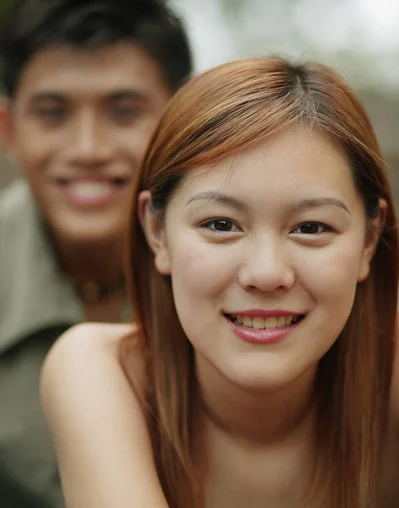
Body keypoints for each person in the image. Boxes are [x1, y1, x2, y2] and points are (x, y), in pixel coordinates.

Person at [41, 57, 399, 508]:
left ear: (369, 239)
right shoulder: (101, 369)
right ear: (157, 232)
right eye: (221, 223)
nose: (267, 273)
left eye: (311, 227)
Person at [0, 0, 192, 507]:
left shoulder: (252, 273)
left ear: (183, 121)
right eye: (52, 113)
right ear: (9, 129)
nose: (87, 148)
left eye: (124, 111)